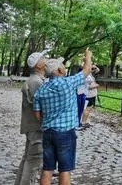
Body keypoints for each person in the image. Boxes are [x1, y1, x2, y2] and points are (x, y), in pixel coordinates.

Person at [33, 48, 92, 185]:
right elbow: (86, 70)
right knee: (65, 170)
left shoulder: (41, 90)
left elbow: (37, 115)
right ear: (59, 71)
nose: (64, 67)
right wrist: (88, 57)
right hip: (65, 134)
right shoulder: (68, 83)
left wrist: (48, 122)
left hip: (48, 133)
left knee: (47, 169)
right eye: (62, 65)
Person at [15, 50, 48, 185]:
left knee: (28, 158)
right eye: (44, 58)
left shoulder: (35, 80)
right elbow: (42, 108)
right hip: (37, 128)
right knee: (33, 161)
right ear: (39, 66)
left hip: (33, 127)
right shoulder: (36, 82)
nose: (47, 59)